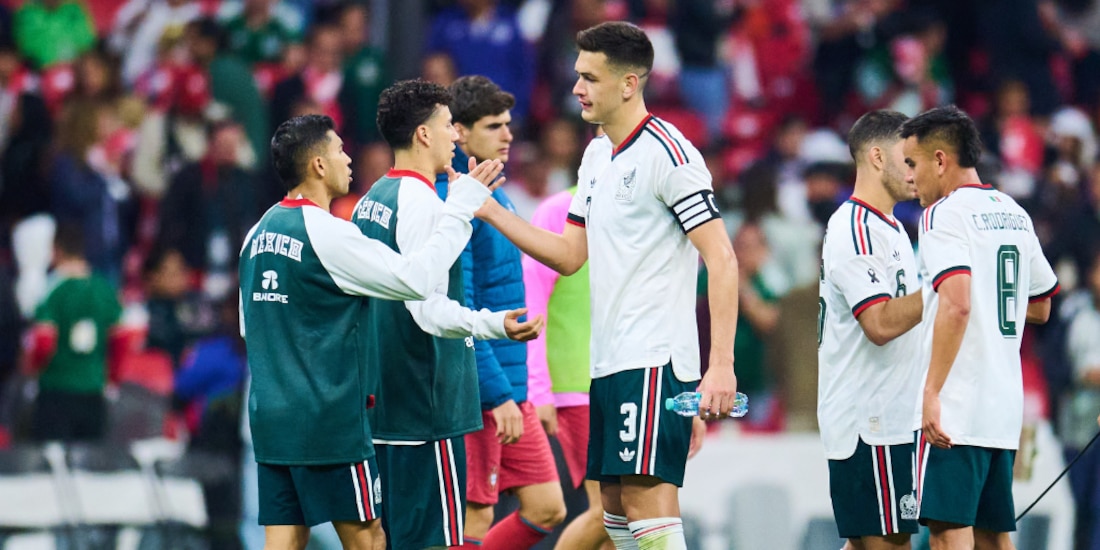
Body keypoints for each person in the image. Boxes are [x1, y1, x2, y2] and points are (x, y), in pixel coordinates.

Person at [475, 22, 740, 549]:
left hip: (654, 359)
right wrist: (490, 211)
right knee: (615, 511)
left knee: (647, 503)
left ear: (629, 84)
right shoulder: (597, 155)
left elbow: (723, 258)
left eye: (589, 77)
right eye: (577, 75)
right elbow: (571, 256)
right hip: (609, 361)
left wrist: (720, 366)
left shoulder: (670, 153)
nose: (576, 88)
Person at [238, 113, 502, 550]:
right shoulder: (329, 234)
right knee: (370, 539)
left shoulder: (256, 234)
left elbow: (251, 330)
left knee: (284, 537)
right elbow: (416, 281)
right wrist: (460, 207)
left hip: (271, 418)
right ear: (318, 165)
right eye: (339, 150)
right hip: (329, 421)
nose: (348, 160)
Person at [352, 79, 544, 550]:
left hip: (388, 399)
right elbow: (427, 306)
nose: (455, 137)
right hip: (426, 402)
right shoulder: (425, 202)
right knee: (437, 540)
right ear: (423, 134)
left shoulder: (374, 199)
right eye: (446, 126)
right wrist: (494, 324)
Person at [901, 105, 1060, 549]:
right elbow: (1042, 305)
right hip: (1002, 408)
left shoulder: (942, 215)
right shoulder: (1014, 212)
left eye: (913, 164)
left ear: (940, 160)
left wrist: (931, 392)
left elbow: (956, 305)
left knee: (949, 534)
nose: (910, 178)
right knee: (993, 538)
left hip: (956, 406)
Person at [429, 75, 566, 549]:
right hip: (483, 388)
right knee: (474, 514)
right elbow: (459, 307)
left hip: (512, 383)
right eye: (494, 126)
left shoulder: (496, 194)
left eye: (508, 124)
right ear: (459, 133)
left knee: (548, 505)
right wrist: (496, 395)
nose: (509, 135)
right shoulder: (456, 201)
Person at [818, 110, 924, 550]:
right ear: (878, 157)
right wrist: (946, 286)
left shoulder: (893, 226)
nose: (917, 169)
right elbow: (879, 324)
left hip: (892, 417)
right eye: (910, 158)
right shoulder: (857, 228)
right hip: (871, 422)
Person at [523, 186, 613, 550]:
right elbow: (532, 299)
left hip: (628, 380)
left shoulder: (640, 204)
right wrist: (537, 387)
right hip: (576, 386)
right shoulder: (560, 209)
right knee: (609, 511)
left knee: (623, 522)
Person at [24, 223, 122, 443]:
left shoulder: (52, 288)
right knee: (88, 467)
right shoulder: (104, 288)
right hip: (94, 390)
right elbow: (121, 339)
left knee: (51, 462)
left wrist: (32, 371)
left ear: (55, 250)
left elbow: (43, 341)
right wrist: (112, 378)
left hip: (56, 389)